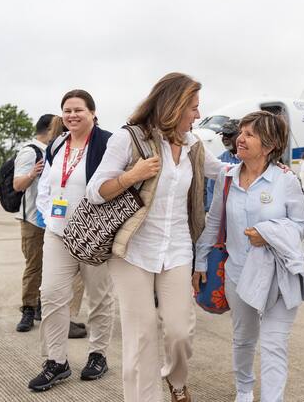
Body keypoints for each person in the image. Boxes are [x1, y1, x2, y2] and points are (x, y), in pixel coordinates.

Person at [86, 72, 226, 402]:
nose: (197, 113)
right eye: (193, 107)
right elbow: (95, 191)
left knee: (180, 331)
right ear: (173, 106)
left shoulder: (194, 146)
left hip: (176, 248)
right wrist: (131, 176)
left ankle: (176, 381)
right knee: (141, 335)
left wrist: (270, 169)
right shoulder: (129, 139)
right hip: (132, 248)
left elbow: (225, 171)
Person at [193, 111, 304, 402]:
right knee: (244, 338)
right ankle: (244, 390)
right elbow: (213, 222)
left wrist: (267, 233)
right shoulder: (226, 177)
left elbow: (302, 226)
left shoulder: (286, 181)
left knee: (274, 344)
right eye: (240, 132)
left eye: (249, 134)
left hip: (279, 274)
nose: (240, 138)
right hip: (237, 272)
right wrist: (200, 262)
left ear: (270, 145)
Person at [29, 89, 116, 391]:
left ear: (92, 112)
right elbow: (46, 186)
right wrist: (49, 217)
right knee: (51, 294)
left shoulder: (108, 143)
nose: (72, 115)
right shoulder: (57, 144)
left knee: (99, 296)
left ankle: (98, 354)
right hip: (58, 234)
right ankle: (56, 361)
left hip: (94, 234)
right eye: (67, 110)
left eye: (78, 110)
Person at [14, 115, 88, 338]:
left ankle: (56, 314)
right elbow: (17, 185)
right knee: (35, 267)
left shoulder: (61, 149)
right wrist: (32, 173)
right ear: (49, 129)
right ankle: (28, 310)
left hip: (57, 219)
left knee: (62, 271)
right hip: (34, 219)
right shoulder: (31, 151)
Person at [205, 118, 241, 211]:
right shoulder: (219, 161)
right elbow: (211, 190)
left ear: (241, 135)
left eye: (229, 134)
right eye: (223, 134)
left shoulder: (253, 159)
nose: (225, 137)